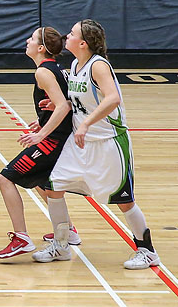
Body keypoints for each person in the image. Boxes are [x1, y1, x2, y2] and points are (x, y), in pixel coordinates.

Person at [34, 20, 160, 270]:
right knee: (53, 186)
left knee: (124, 200)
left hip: (109, 142)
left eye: (71, 33)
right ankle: (61, 245)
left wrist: (85, 123)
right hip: (82, 143)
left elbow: (112, 98)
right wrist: (64, 107)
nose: (65, 36)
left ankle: (147, 251)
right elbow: (81, 100)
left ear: (83, 43)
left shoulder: (98, 65)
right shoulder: (75, 64)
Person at [0, 27, 73, 259]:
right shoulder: (56, 69)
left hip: (54, 141)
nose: (26, 41)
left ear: (40, 48)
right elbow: (66, 105)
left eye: (31, 39)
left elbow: (63, 106)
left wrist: (41, 134)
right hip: (60, 135)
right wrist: (44, 122)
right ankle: (69, 230)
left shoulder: (43, 73)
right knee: (41, 181)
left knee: (5, 179)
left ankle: (22, 238)